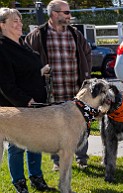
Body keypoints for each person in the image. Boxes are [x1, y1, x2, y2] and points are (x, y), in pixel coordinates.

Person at [25, 0, 92, 169]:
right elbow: (26, 59)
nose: (70, 16)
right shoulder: (38, 35)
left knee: (80, 123)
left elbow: (87, 53)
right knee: (55, 126)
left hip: (76, 90)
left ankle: (81, 157)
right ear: (54, 14)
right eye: (66, 12)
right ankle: (57, 161)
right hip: (52, 91)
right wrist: (39, 73)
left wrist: (85, 74)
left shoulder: (75, 34)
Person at [0, 8, 52, 193]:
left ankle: (36, 178)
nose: (19, 24)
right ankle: (19, 183)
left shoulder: (23, 44)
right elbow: (5, 85)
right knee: (17, 146)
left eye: (20, 20)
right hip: (16, 106)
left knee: (35, 142)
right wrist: (25, 101)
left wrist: (41, 72)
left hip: (36, 104)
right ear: (2, 25)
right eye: (14, 21)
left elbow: (26, 72)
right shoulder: (2, 47)